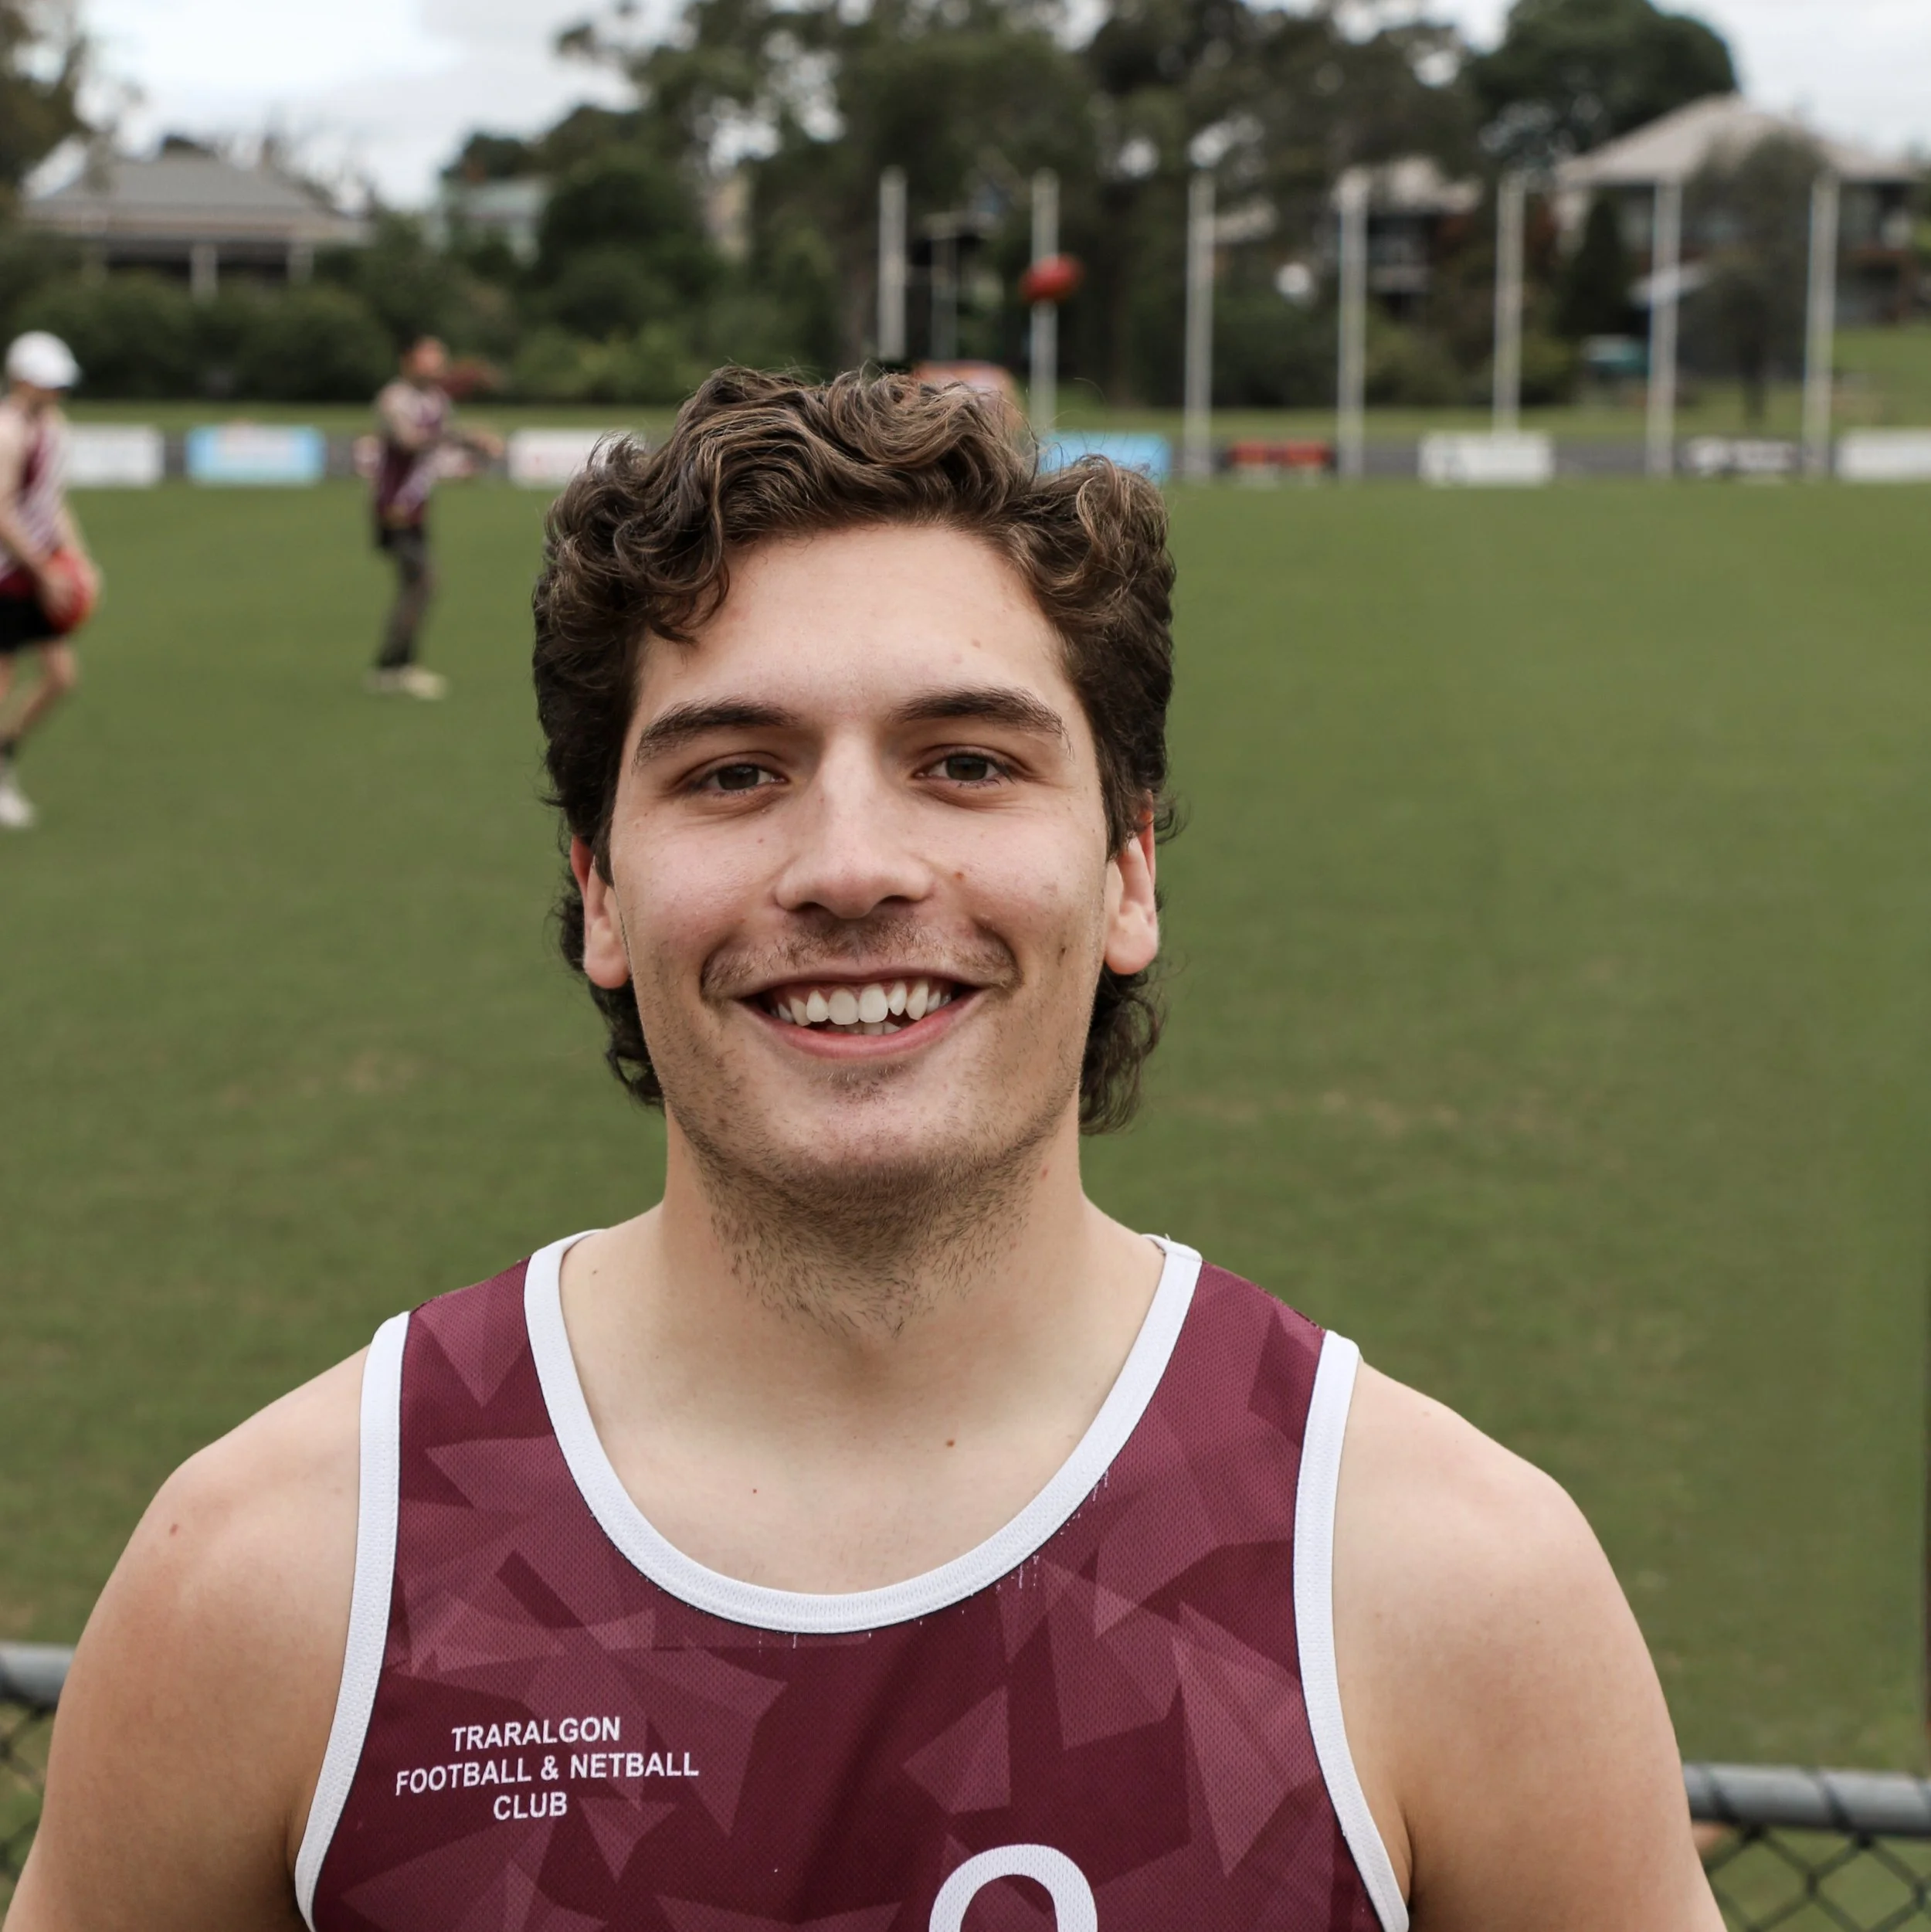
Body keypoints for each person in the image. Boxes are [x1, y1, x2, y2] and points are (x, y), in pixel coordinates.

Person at [13, 370, 1721, 1932]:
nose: (850, 864)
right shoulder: (270, 1578)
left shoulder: (1447, 1585)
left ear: (1127, 869)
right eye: (736, 769)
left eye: (964, 761)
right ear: (599, 890)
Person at [365, 334, 501, 701]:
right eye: (430, 358)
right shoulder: (394, 398)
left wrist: (470, 452)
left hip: (416, 507)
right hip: (393, 508)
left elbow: (437, 450)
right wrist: (465, 437)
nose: (438, 365)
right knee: (423, 581)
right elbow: (408, 441)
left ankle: (394, 666)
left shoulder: (438, 400)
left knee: (416, 586)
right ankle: (394, 667)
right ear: (408, 361)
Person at [0, 331, 97, 830]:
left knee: (61, 677)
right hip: (5, 575)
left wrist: (77, 560)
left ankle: (3, 756)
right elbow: (2, 513)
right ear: (21, 381)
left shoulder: (53, 427)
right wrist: (45, 571)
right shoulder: (5, 432)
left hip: (35, 570)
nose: (57, 392)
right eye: (47, 384)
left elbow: (50, 501)